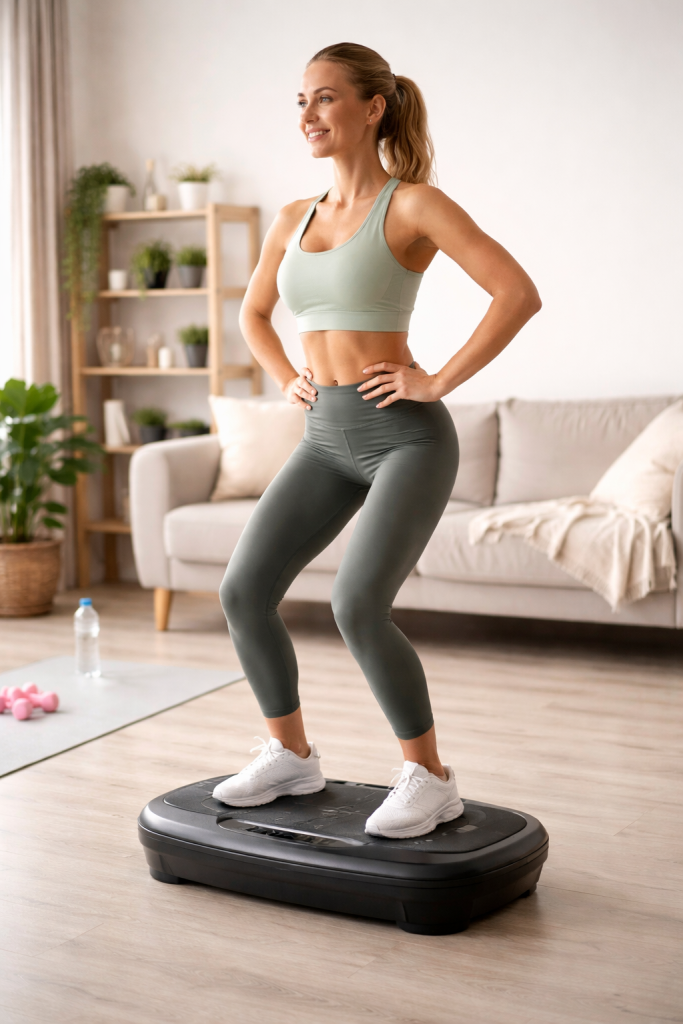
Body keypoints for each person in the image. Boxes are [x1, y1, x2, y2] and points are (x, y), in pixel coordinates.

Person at [213, 42, 541, 838]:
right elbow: (253, 315)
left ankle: (429, 777)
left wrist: (436, 381)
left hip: (404, 439)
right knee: (242, 592)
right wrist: (285, 372)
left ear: (372, 107)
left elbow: (516, 293)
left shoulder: (413, 205)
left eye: (325, 99)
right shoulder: (293, 218)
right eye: (299, 101)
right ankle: (289, 755)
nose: (308, 115)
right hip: (324, 433)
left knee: (357, 605)